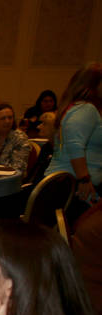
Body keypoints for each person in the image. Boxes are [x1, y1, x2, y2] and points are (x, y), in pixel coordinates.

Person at [45, 63, 102, 214]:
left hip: (69, 183)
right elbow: (75, 144)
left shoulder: (78, 107)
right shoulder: (85, 109)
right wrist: (84, 179)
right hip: (74, 187)